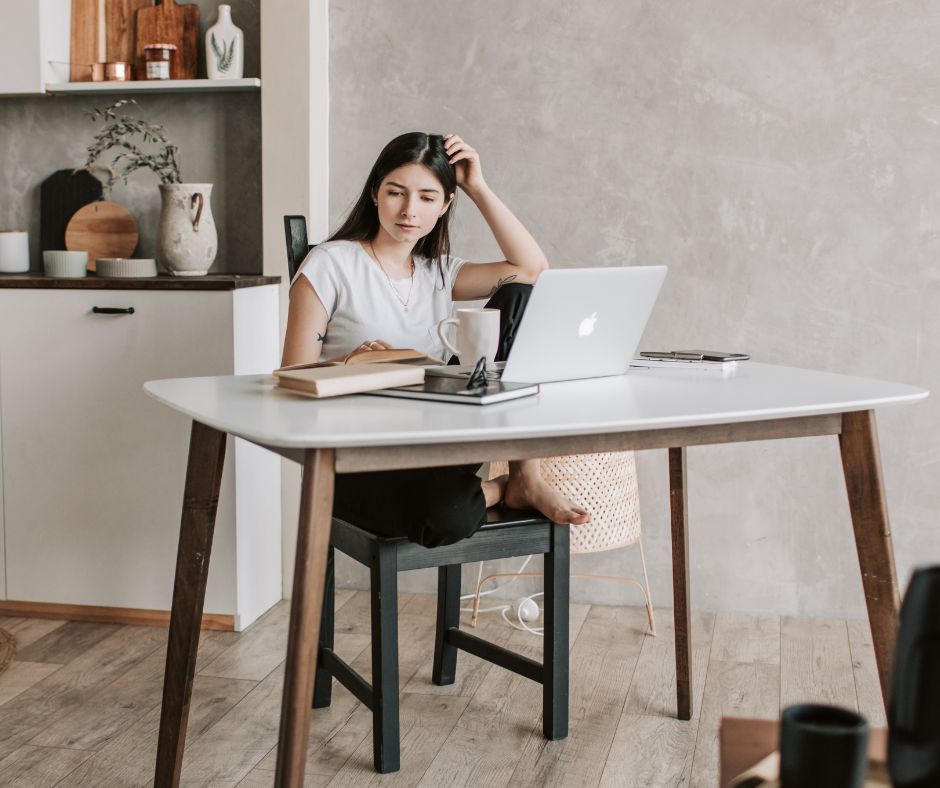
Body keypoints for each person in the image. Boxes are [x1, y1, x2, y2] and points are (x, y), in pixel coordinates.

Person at [282, 132, 591, 548]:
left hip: (437, 444)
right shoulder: (331, 264)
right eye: (396, 192)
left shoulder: (440, 273)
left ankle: (527, 477)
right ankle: (500, 489)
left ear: (445, 205)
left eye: (428, 198)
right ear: (375, 193)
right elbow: (291, 378)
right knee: (447, 515)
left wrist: (477, 188)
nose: (410, 210)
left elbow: (532, 270)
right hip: (358, 458)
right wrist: (351, 363)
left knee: (520, 297)